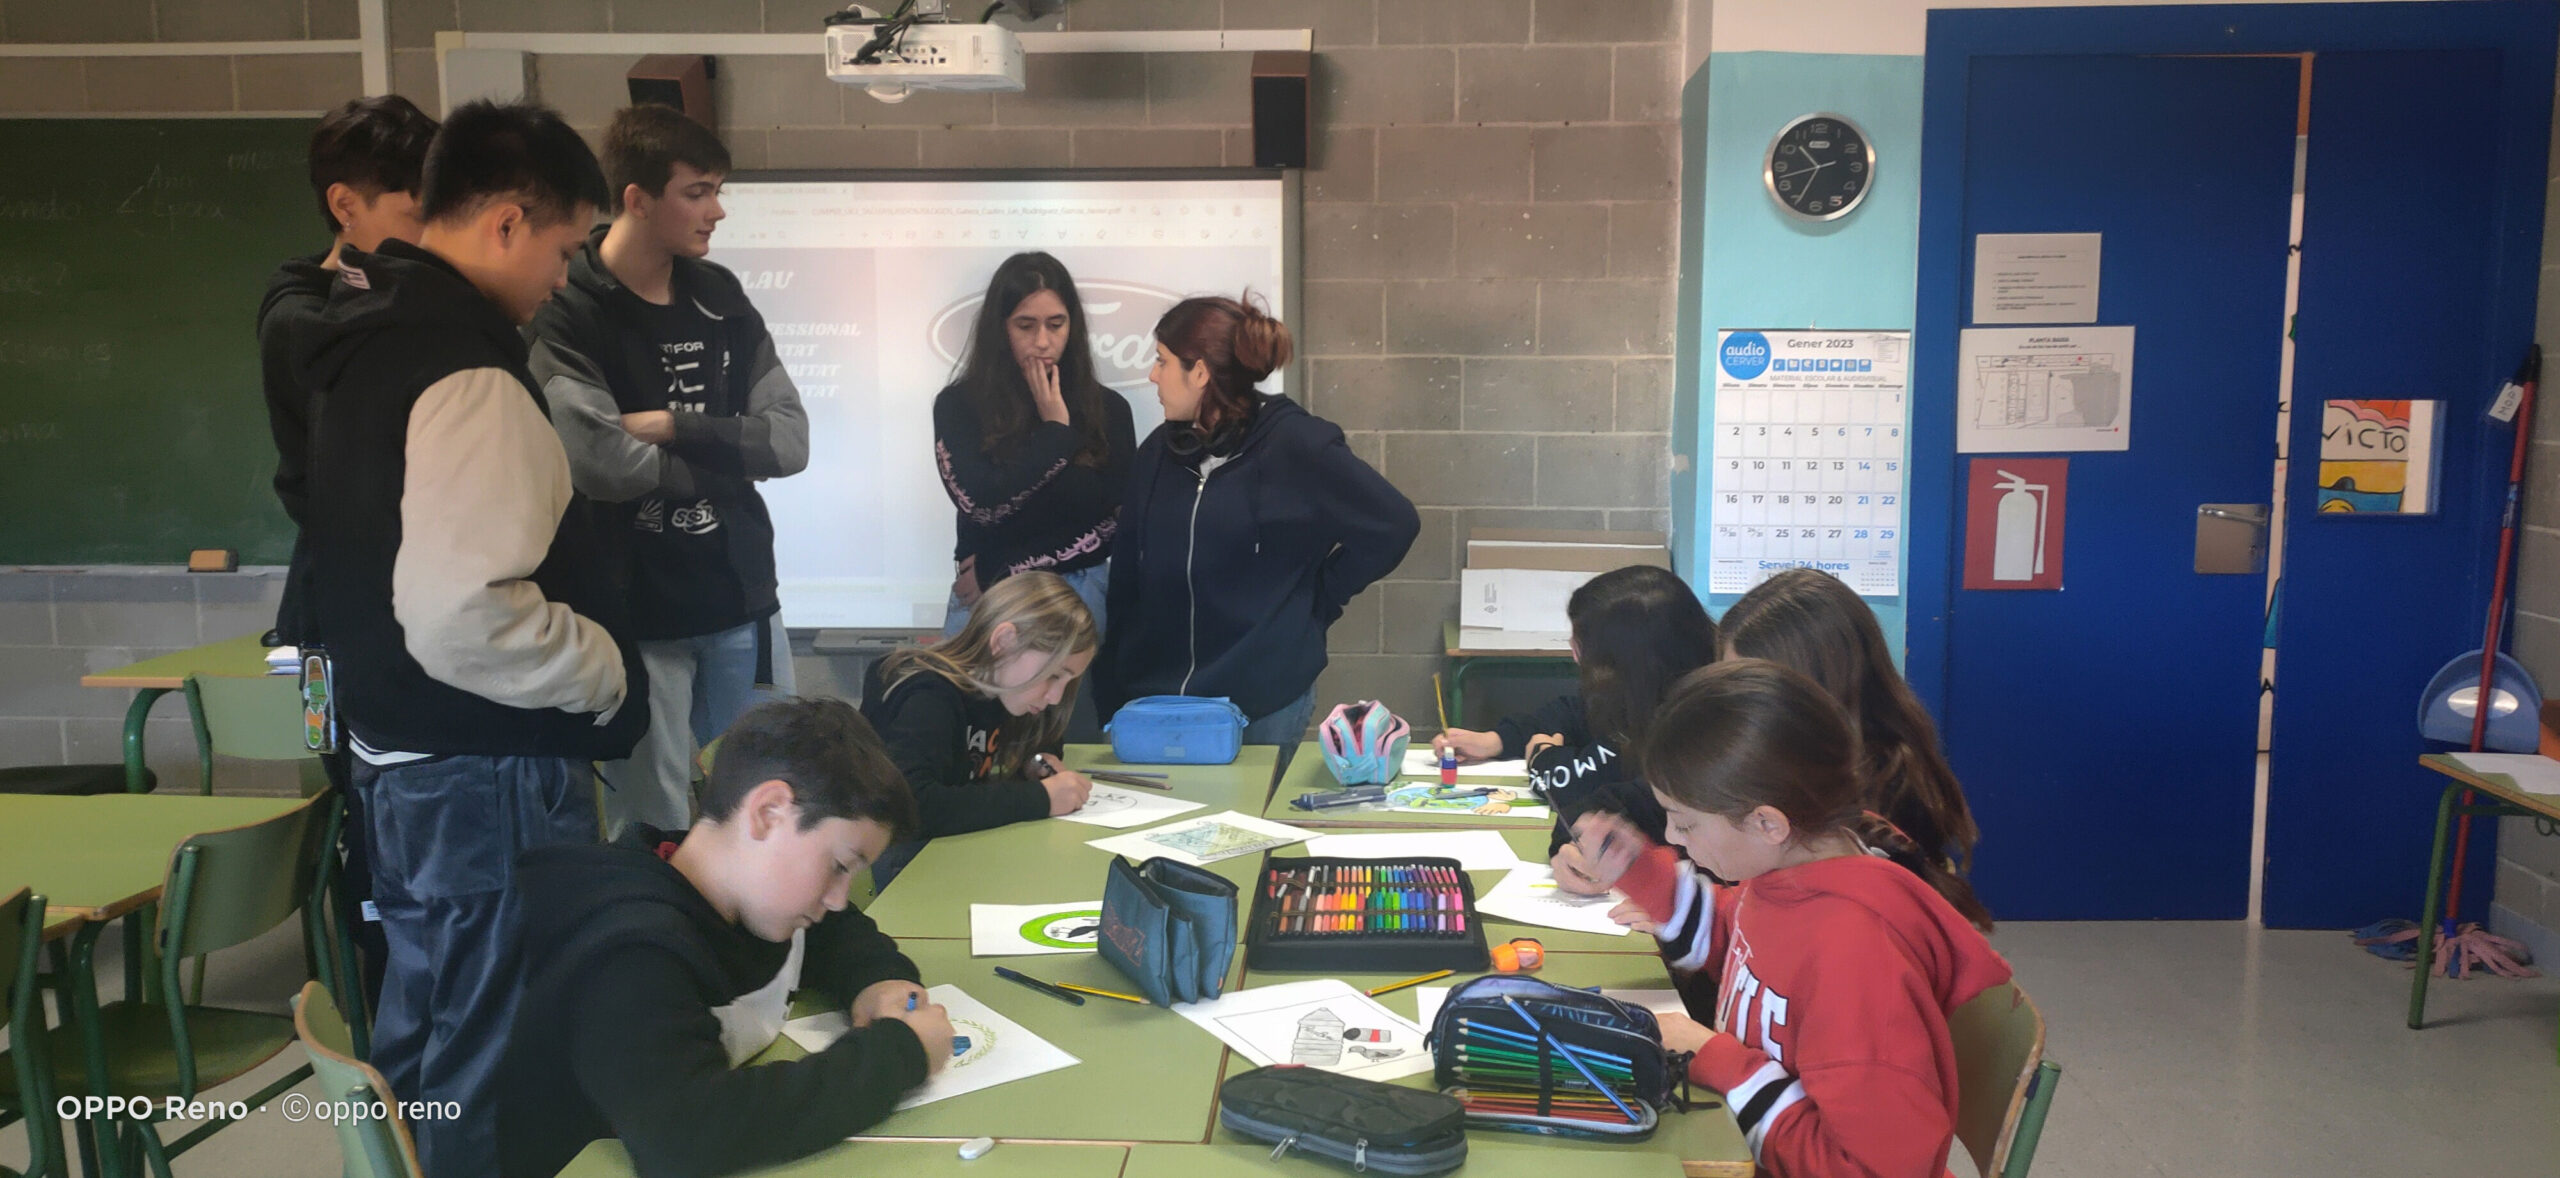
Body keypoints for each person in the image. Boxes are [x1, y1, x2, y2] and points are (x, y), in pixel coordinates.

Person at [299, 99, 644, 1178]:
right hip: (481, 776)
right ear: (504, 222)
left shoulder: (365, 334)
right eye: (563, 248)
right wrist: (603, 669)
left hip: (410, 763)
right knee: (491, 1063)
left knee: (431, 1035)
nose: (563, 277)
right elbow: (461, 612)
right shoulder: (469, 372)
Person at [1565, 661, 2007, 1178]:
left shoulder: (1858, 961)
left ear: (1767, 822)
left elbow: (1869, 1169)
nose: (1670, 835)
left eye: (1685, 823)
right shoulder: (1793, 869)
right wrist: (1641, 872)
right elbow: (1739, 938)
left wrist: (1719, 1059)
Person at [497, 697, 950, 1178]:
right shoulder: (629, 955)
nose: (839, 899)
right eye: (839, 866)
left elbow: (837, 932)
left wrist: (879, 980)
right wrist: (899, 1055)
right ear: (769, 812)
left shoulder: (749, 893)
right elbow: (686, 1134)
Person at [530, 104, 809, 839]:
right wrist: (727, 464)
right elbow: (598, 463)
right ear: (638, 199)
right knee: (651, 829)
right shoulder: (569, 307)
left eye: (718, 190)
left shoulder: (720, 297)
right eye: (697, 192)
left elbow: (789, 443)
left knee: (772, 807)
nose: (717, 210)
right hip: (636, 614)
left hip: (740, 598)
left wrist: (675, 426)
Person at [256, 92, 439, 1020]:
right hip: (321, 637)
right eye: (414, 210)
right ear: (346, 206)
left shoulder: (405, 297)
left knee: (404, 828)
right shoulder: (303, 316)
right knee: (357, 818)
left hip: (400, 620)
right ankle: (376, 1037)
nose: (431, 233)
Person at [1094, 295, 1418, 752]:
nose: (1153, 375)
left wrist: (1318, 599)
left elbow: (1393, 524)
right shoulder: (1157, 454)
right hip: (1158, 702)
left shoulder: (1298, 445)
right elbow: (1128, 576)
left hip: (1262, 703)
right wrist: (1113, 686)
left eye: (1162, 361)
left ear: (1200, 372)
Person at [1718, 567, 1985, 890]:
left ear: (1814, 686)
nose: (1734, 703)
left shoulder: (1883, 783)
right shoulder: (1787, 754)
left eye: (1751, 687)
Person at [1432, 564, 1716, 867]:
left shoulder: (1680, 728)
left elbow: (1574, 790)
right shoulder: (1650, 687)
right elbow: (1572, 712)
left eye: (1581, 644)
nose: (1573, 652)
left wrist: (1543, 758)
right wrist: (1498, 740)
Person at [933, 251, 1134, 636]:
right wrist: (1054, 432)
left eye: (1056, 324)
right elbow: (980, 505)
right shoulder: (959, 404)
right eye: (1025, 325)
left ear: (1072, 326)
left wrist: (1004, 564)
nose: (1043, 341)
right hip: (988, 597)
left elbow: (1114, 525)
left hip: (1074, 591)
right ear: (1001, 328)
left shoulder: (1109, 409)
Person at [859, 571, 1098, 887]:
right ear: (1004, 642)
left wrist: (1039, 761)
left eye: (1068, 682)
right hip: (908, 869)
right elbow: (913, 805)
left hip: (956, 854)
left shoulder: (1007, 690)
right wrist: (1041, 798)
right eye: (1054, 675)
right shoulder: (928, 696)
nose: (1055, 697)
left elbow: (1044, 739)